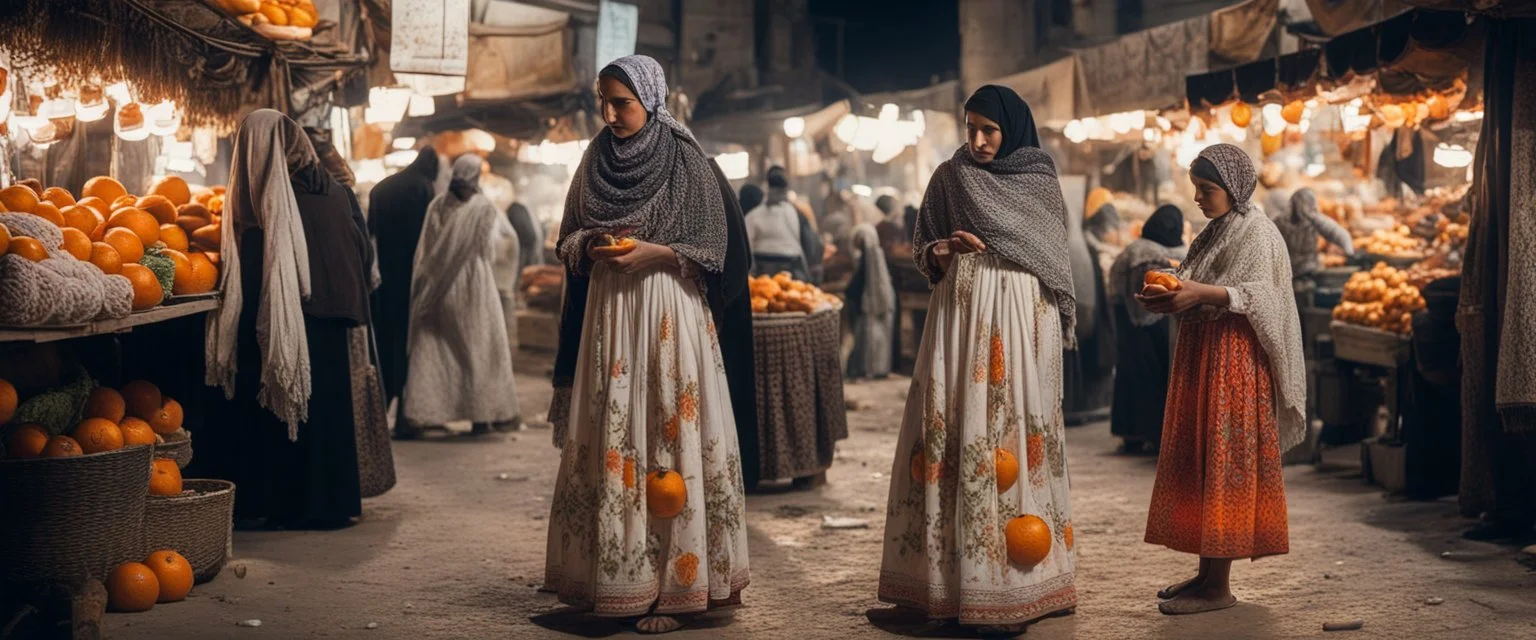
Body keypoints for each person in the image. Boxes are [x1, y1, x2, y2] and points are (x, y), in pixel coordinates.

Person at [543, 55, 754, 634]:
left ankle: (677, 590)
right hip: (610, 313)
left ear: (651, 99)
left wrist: (656, 253)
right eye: (604, 102)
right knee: (614, 433)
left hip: (667, 309)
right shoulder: (594, 158)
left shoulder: (685, 157)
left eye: (622, 103)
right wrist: (593, 246)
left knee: (668, 435)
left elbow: (713, 248)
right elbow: (567, 237)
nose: (610, 114)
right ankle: (614, 580)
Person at [878, 85, 1078, 634]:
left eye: (989, 129)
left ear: (1011, 128)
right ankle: (932, 589)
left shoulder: (1039, 179)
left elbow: (1053, 263)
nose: (979, 140)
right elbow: (925, 247)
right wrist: (943, 250)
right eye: (971, 128)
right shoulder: (950, 175)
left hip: (1019, 320)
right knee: (948, 432)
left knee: (1012, 438)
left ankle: (1019, 588)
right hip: (960, 317)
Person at [1137, 143, 1305, 615]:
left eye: (1207, 190)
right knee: (1202, 461)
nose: (1199, 198)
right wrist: (1171, 290)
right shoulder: (1215, 232)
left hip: (1235, 366)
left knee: (1224, 464)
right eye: (1196, 189)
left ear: (1233, 189)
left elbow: (1262, 296)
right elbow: (1195, 279)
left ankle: (1219, 588)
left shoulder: (1258, 233)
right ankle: (1206, 573)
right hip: (1204, 359)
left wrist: (1196, 293)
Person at [202, 109, 372, 529]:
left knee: (284, 411)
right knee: (328, 413)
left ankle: (282, 504)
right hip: (334, 315)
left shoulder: (272, 200)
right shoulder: (336, 189)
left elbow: (256, 267)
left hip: (292, 318)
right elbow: (362, 252)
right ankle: (331, 504)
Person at [400, 155, 522, 436]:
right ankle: (481, 418)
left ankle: (432, 414)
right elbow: (490, 248)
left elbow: (428, 248)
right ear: (476, 177)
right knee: (479, 349)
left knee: (439, 348)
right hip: (476, 286)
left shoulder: (437, 205)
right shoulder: (484, 208)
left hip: (440, 288)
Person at [367, 147, 439, 437]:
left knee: (386, 345)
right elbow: (429, 237)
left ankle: (377, 416)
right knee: (409, 347)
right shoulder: (424, 187)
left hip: (385, 279)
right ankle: (406, 418)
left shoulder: (381, 188)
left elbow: (370, 234)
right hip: (412, 279)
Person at [1108, 205, 1185, 452]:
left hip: (1131, 323)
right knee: (1155, 377)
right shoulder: (1173, 252)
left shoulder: (1136, 249)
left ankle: (1134, 435)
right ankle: (1155, 435)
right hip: (1161, 322)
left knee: (1135, 377)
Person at [1064, 202, 1118, 425]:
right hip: (1082, 307)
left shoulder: (1076, 240)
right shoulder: (1081, 241)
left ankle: (1073, 407)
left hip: (1077, 306)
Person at [845, 223, 895, 380]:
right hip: (877, 302)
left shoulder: (871, 255)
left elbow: (865, 281)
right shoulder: (875, 254)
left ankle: (871, 369)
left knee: (873, 338)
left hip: (874, 303)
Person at [745, 166, 812, 282]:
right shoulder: (795, 212)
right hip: (790, 266)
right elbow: (807, 241)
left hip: (764, 270)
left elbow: (746, 245)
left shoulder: (754, 215)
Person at [1274, 187, 1354, 279]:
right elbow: (1341, 235)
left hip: (1290, 272)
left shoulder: (1280, 221)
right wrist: (1350, 254)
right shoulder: (1313, 219)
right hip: (1305, 271)